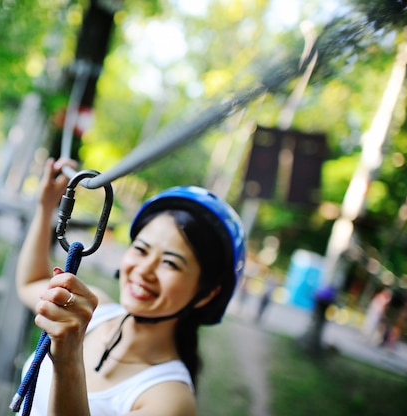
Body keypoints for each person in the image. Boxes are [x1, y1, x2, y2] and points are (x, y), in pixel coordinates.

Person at [15, 158, 246, 415]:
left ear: (207, 294)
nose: (144, 270)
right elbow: (31, 283)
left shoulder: (169, 400)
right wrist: (46, 207)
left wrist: (69, 360)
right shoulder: (96, 312)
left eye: (170, 263)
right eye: (141, 249)